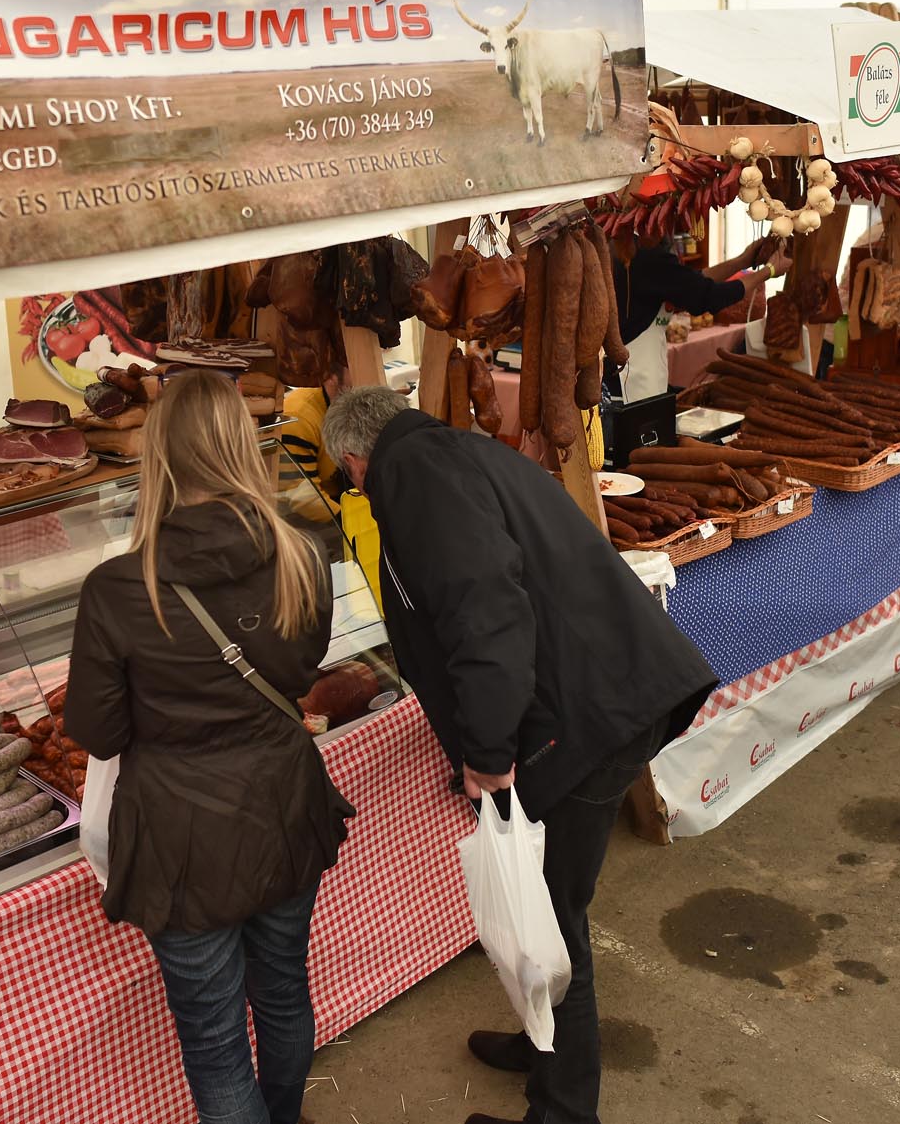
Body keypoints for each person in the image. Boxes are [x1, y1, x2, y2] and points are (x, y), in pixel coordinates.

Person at [322, 384, 718, 1124]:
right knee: (544, 902)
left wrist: (488, 748)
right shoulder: (450, 451)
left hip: (585, 710)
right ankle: (546, 1046)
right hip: (600, 692)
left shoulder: (411, 475)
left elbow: (486, 614)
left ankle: (564, 1109)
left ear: (353, 460)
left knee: (555, 919)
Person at [62, 370, 354, 1124]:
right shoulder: (301, 554)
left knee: (216, 1043)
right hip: (285, 804)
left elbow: (98, 732)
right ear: (240, 445)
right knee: (283, 992)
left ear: (158, 454)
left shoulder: (119, 586)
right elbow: (300, 674)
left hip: (181, 837)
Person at [606, 232, 780, 400]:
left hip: (633, 375)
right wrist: (768, 271)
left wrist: (743, 260)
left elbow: (693, 282)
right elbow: (707, 296)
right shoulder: (645, 254)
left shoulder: (625, 245)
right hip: (631, 382)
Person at [276, 372, 344, 520]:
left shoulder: (351, 405)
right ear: (331, 376)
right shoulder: (298, 417)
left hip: (341, 500)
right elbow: (303, 498)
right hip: (299, 519)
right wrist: (354, 525)